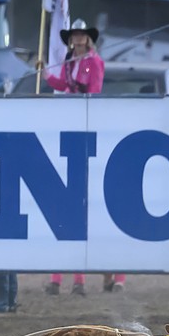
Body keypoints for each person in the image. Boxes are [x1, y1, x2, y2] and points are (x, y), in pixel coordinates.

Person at [43, 19, 126, 294]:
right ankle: (79, 277)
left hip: (85, 127)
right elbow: (64, 85)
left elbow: (93, 91)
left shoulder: (93, 62)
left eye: (81, 35)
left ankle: (105, 275)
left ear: (87, 38)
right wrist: (46, 74)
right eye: (75, 35)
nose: (78, 38)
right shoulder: (70, 62)